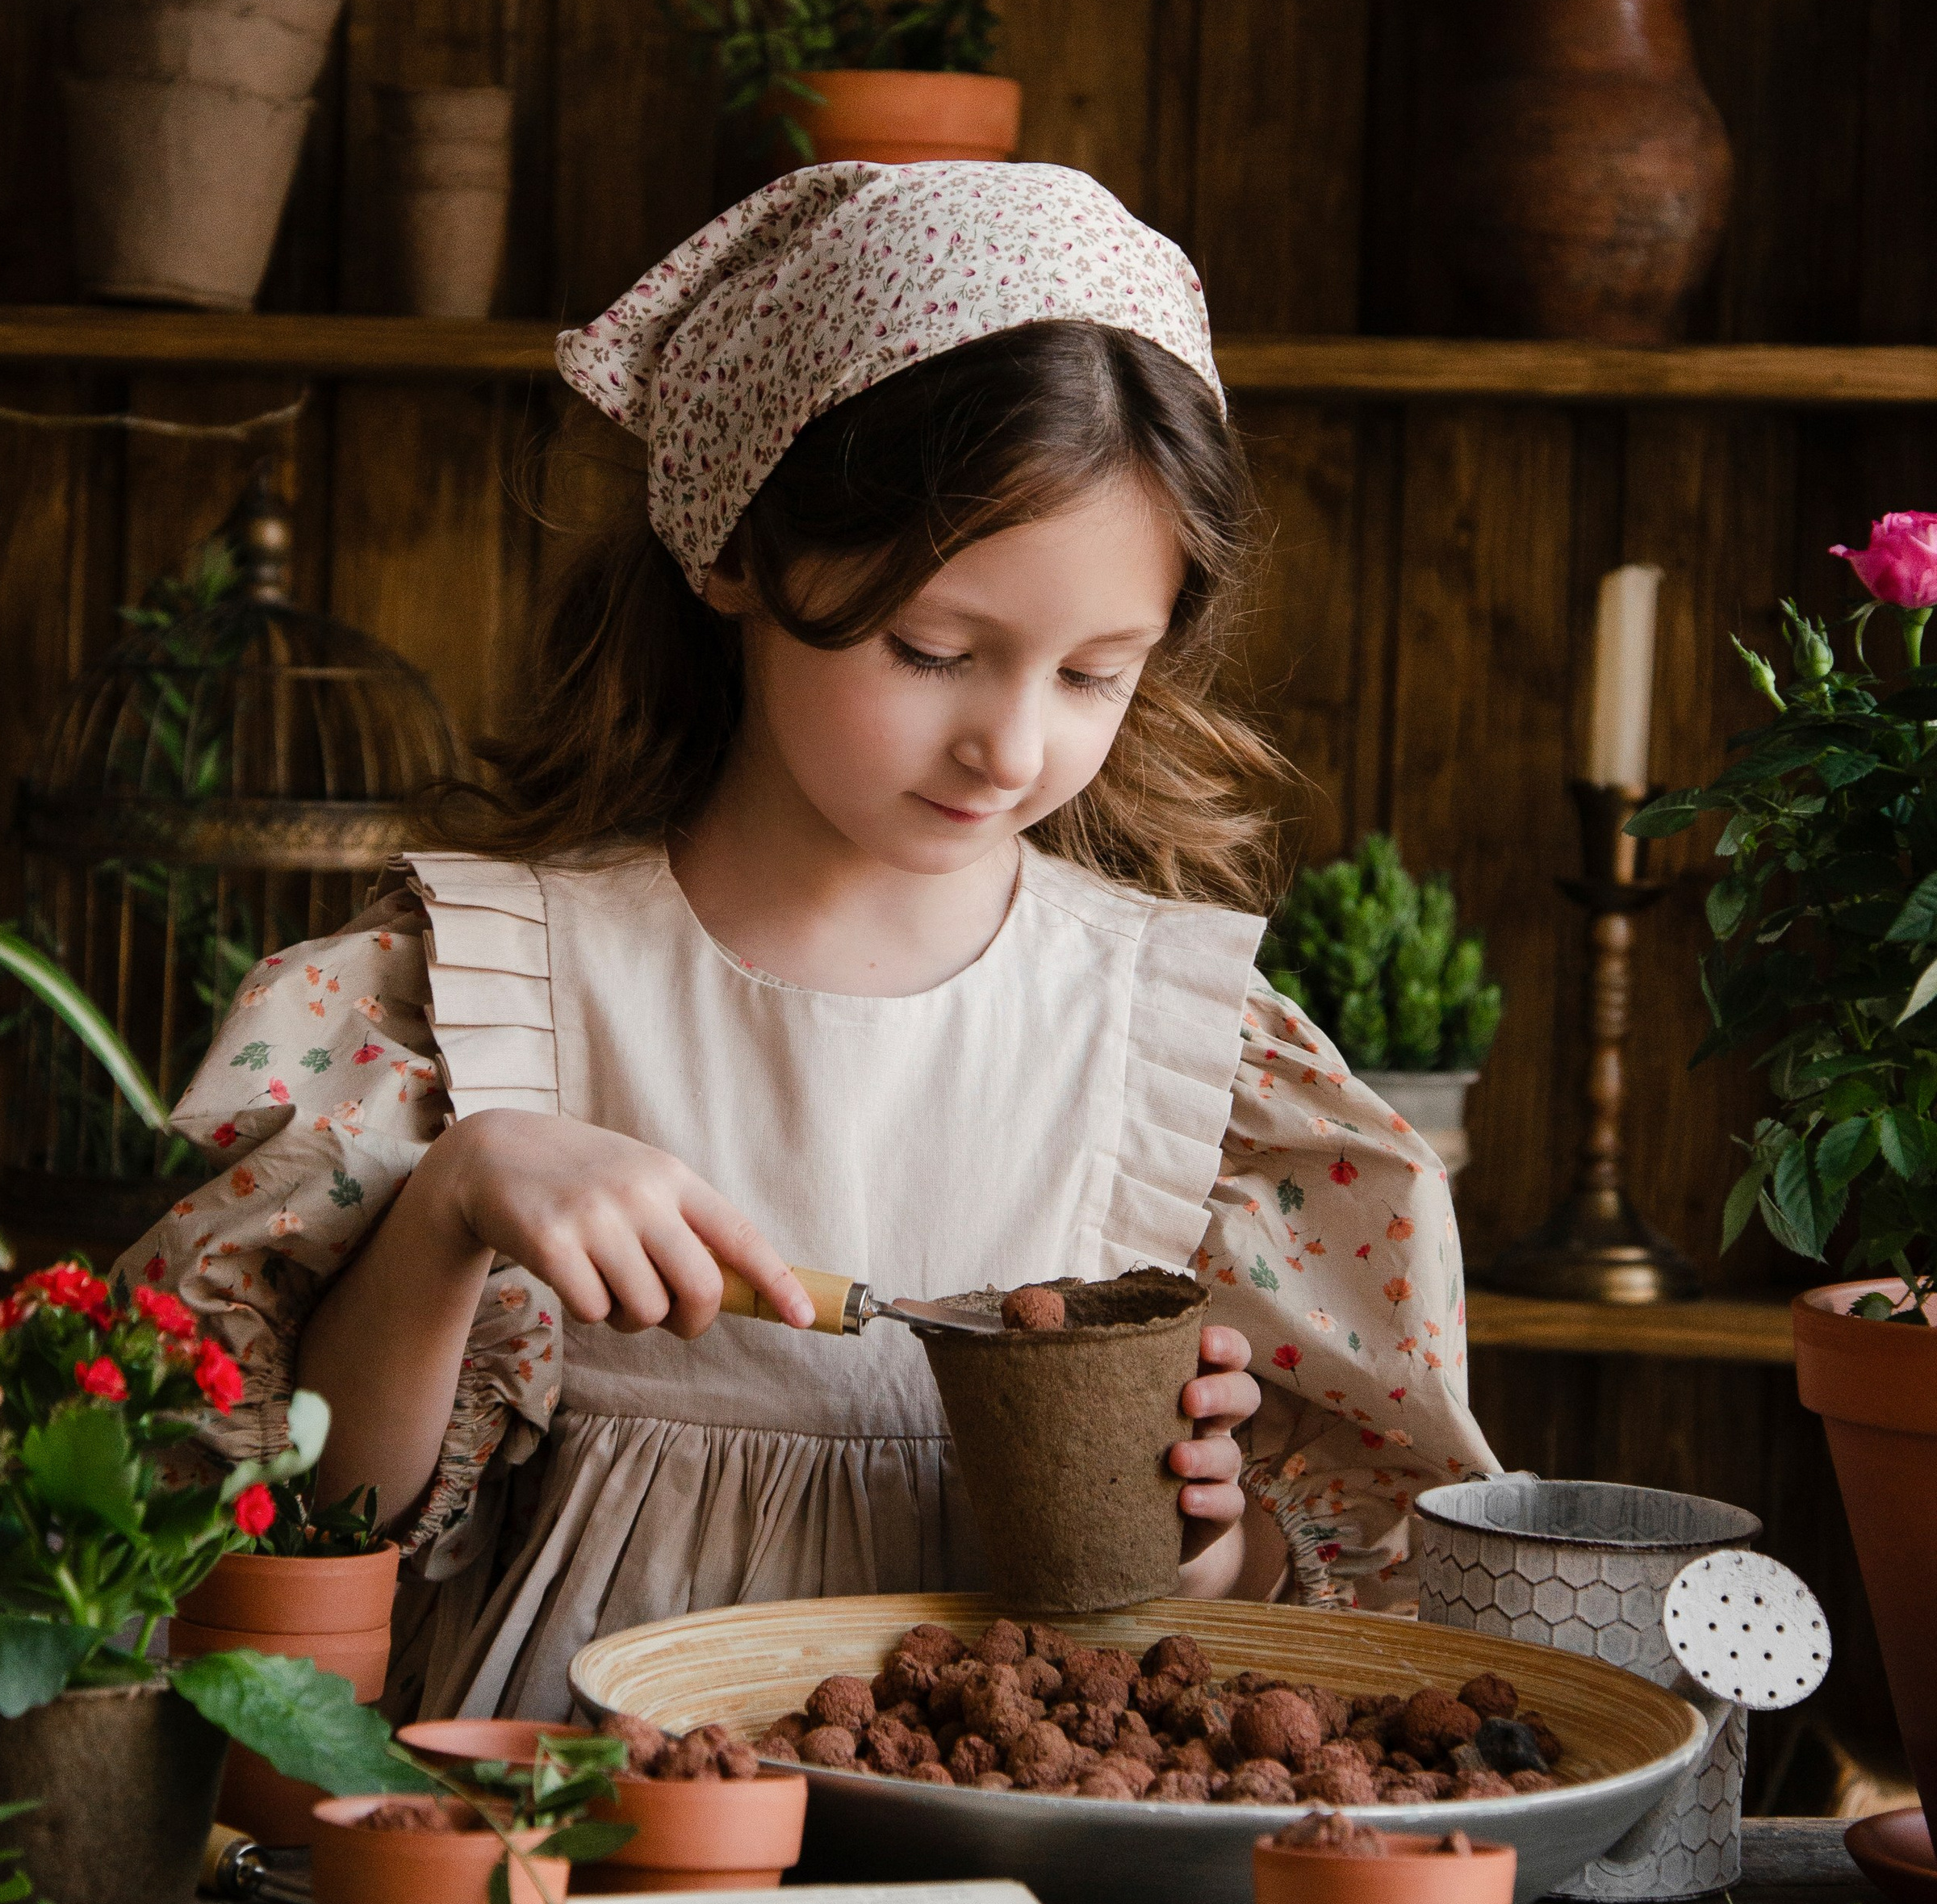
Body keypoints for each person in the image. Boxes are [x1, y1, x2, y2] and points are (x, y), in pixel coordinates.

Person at [120, 161, 1496, 1722]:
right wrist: (451, 1209)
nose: (1010, 745)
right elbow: (316, 1534)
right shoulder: (479, 993)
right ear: (735, 550)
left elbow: (1281, 1628)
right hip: (582, 1832)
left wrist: (1206, 1546)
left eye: (1095, 673)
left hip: (1012, 1857)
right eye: (934, 650)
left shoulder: (1190, 1055)